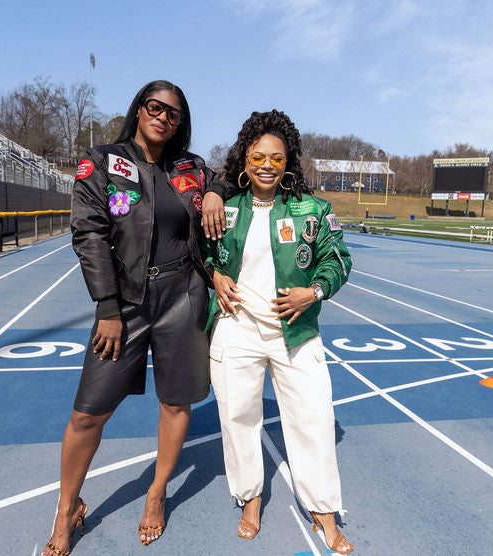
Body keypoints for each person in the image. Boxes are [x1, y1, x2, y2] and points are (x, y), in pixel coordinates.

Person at [41, 80, 226, 555]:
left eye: (174, 113)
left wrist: (215, 194)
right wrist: (106, 306)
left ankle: (157, 491)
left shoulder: (191, 167)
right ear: (139, 108)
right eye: (155, 107)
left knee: (177, 403)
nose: (163, 117)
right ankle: (67, 508)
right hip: (123, 303)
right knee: (88, 414)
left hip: (182, 294)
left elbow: (232, 175)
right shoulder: (102, 162)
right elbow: (89, 234)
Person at [206, 110, 354, 554]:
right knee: (238, 419)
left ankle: (323, 510)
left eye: (276, 157)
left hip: (296, 332)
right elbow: (205, 256)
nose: (267, 165)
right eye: (258, 156)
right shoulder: (227, 209)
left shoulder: (313, 209)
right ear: (244, 160)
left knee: (313, 419)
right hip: (236, 328)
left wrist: (313, 292)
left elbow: (340, 259)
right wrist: (215, 275)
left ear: (288, 161)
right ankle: (250, 499)